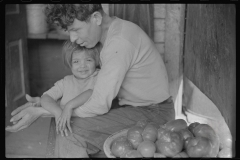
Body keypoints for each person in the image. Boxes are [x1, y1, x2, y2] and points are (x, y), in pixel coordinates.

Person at [6, 4, 175, 158]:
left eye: (76, 30)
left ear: (96, 18)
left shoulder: (119, 42)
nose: (72, 38)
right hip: (133, 107)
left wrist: (46, 111)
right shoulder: (111, 34)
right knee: (62, 124)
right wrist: (50, 103)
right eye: (69, 31)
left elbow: (99, 103)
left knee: (68, 131)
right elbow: (95, 89)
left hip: (154, 113)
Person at [41, 40, 100, 136]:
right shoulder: (66, 82)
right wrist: (58, 112)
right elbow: (46, 97)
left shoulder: (100, 76)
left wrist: (69, 106)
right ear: (69, 64)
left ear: (96, 61)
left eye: (88, 60)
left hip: (93, 126)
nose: (83, 65)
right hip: (66, 125)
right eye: (76, 61)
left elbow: (91, 93)